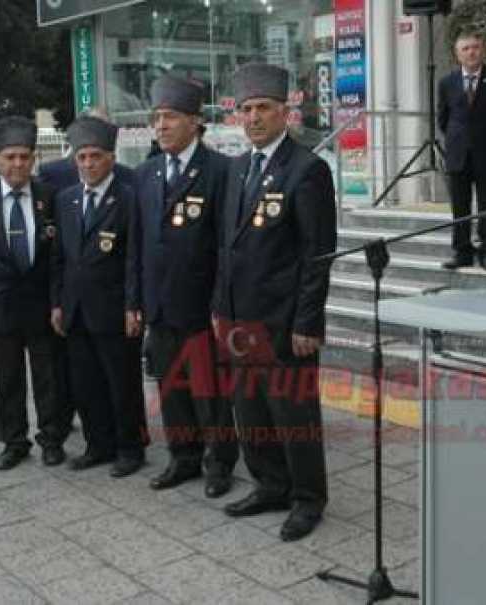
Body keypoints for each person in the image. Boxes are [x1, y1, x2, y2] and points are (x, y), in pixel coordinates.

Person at [212, 63, 336, 542]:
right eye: (246, 109)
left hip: (285, 321)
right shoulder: (238, 168)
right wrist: (221, 309)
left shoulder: (307, 170)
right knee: (252, 410)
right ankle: (270, 484)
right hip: (240, 320)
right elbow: (227, 246)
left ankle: (307, 498)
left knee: (293, 414)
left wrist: (308, 321)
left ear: (286, 113)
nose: (254, 117)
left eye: (264, 108)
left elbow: (316, 255)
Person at [134, 74, 238, 498]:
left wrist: (220, 305)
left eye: (170, 117)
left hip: (200, 306)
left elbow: (227, 247)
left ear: (195, 122)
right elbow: (136, 245)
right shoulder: (146, 172)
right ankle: (184, 457)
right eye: (156, 117)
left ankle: (219, 462)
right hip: (159, 304)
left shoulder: (220, 171)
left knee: (208, 391)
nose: (160, 125)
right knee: (171, 388)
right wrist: (134, 299)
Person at [0, 116, 71, 471]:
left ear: (34, 159)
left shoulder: (50, 197)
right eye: (10, 157)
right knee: (7, 380)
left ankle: (52, 438)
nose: (18, 164)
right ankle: (14, 441)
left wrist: (58, 302)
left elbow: (59, 258)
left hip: (42, 307)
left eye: (24, 156)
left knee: (48, 378)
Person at [50, 116, 147, 477]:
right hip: (75, 309)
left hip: (114, 309)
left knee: (121, 384)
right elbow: (58, 257)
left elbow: (134, 258)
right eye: (82, 157)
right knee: (86, 383)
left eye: (96, 156)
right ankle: (98, 444)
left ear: (111, 158)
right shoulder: (66, 200)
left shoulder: (127, 199)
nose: (88, 164)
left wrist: (133, 305)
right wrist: (57, 302)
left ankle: (130, 447)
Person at [436, 31, 486, 271]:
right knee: (460, 205)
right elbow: (443, 119)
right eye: (465, 48)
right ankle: (462, 251)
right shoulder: (447, 83)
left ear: (483, 50)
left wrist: (485, 137)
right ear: (458, 54)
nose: (471, 52)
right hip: (458, 154)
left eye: (475, 47)